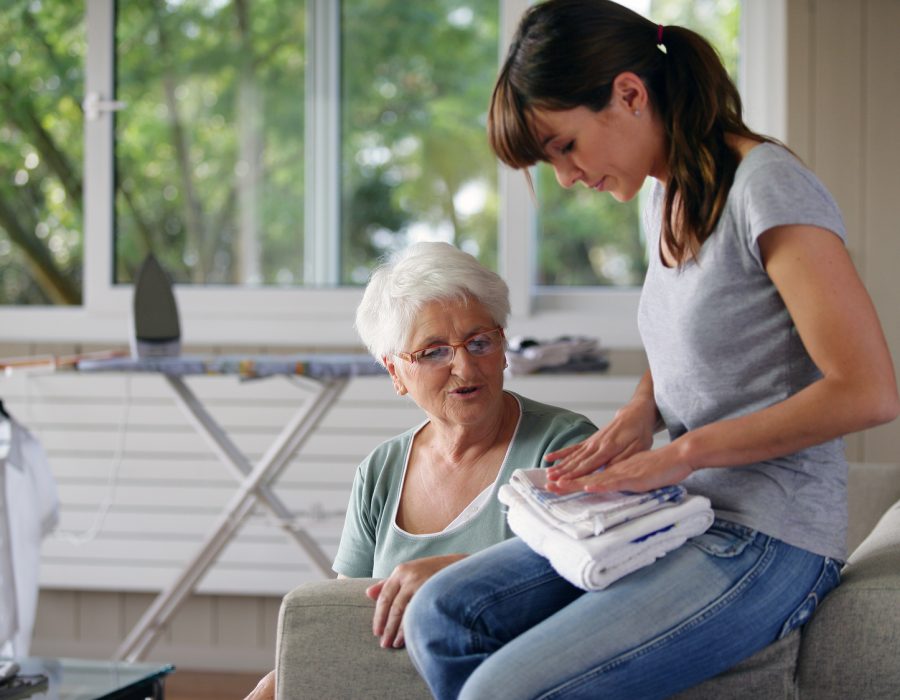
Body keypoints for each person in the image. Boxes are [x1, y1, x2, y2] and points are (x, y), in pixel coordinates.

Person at [403, 2, 900, 698]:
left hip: (769, 539)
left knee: (502, 692)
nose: (567, 177)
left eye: (564, 146)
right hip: (679, 511)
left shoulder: (767, 186)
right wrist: (641, 413)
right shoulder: (661, 196)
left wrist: (680, 452)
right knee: (442, 616)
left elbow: (867, 388)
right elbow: (697, 335)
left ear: (629, 95)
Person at [242, 241, 597, 700]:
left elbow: (593, 591)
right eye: (433, 352)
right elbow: (348, 615)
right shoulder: (381, 470)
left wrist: (460, 580)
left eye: (479, 342)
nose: (465, 366)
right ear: (395, 372)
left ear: (503, 346)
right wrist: (280, 680)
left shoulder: (565, 447)